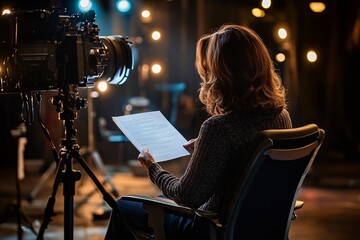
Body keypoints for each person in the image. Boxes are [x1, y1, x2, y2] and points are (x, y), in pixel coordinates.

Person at [104, 24, 292, 239]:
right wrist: (209, 151)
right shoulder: (281, 116)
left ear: (223, 74)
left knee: (122, 208)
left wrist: (152, 166)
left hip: (211, 228)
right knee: (153, 201)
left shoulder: (219, 128)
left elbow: (186, 196)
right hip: (257, 225)